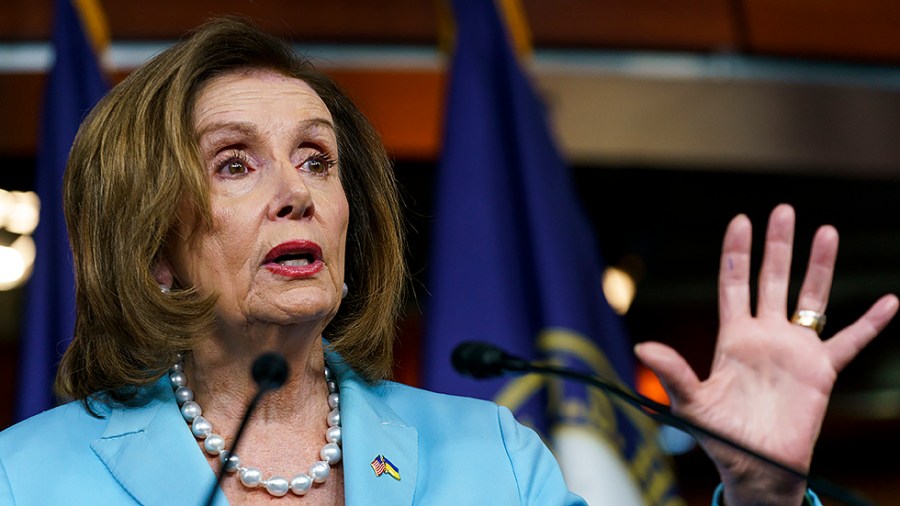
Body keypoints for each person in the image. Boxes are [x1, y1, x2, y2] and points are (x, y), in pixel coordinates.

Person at [0, 16, 896, 506]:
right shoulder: (28, 477)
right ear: (154, 246)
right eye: (236, 162)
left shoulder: (492, 454)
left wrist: (764, 499)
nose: (297, 191)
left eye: (318, 158)